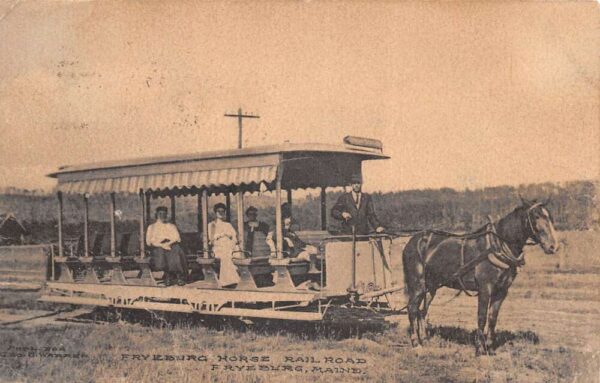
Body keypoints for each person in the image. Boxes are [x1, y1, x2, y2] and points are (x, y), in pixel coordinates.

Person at [146, 206, 188, 286]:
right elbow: (149, 241)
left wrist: (168, 244)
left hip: (171, 244)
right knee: (163, 252)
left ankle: (179, 276)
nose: (162, 216)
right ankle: (168, 275)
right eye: (160, 214)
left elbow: (177, 238)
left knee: (176, 250)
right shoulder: (152, 227)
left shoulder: (171, 226)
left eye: (164, 214)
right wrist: (161, 245)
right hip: (157, 247)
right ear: (156, 215)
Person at [208, 203, 239, 287]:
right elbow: (211, 240)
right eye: (219, 211)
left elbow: (234, 238)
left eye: (223, 211)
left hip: (229, 246)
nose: (221, 213)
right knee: (225, 256)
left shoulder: (228, 225)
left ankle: (229, 279)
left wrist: (229, 237)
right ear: (215, 213)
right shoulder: (212, 225)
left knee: (232, 253)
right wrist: (222, 235)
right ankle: (227, 281)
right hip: (218, 247)